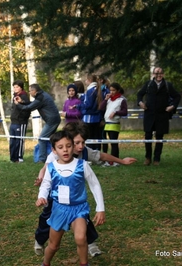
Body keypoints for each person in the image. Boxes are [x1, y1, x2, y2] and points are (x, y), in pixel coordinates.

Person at [34, 121, 137, 257]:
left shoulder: (85, 152)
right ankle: (39, 241)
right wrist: (41, 178)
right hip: (56, 195)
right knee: (47, 217)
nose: (81, 146)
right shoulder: (57, 152)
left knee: (83, 218)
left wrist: (122, 161)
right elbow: (46, 168)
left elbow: (102, 156)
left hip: (75, 198)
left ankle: (91, 244)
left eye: (83, 142)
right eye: (77, 143)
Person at [36, 130, 106, 266]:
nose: (65, 150)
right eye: (60, 147)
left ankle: (84, 264)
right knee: (53, 245)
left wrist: (100, 208)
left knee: (81, 239)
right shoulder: (51, 167)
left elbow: (95, 185)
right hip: (59, 210)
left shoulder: (82, 165)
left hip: (79, 209)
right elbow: (45, 185)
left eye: (68, 146)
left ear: (73, 147)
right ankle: (45, 263)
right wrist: (41, 197)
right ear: (54, 150)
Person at [137, 67, 181, 166]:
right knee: (148, 136)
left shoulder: (168, 85)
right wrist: (140, 103)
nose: (158, 75)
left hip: (162, 115)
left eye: (160, 73)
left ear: (163, 74)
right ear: (153, 74)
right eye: (156, 74)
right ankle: (148, 158)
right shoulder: (148, 84)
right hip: (149, 114)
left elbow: (177, 96)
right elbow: (139, 94)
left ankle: (157, 159)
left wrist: (172, 106)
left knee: (159, 137)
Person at [14, 84, 61, 163]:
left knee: (42, 138)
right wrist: (22, 101)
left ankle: (42, 159)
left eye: (30, 91)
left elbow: (29, 108)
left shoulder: (41, 97)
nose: (29, 93)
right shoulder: (42, 95)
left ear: (34, 91)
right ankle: (55, 157)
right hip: (54, 119)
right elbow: (33, 103)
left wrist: (18, 105)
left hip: (51, 121)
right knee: (51, 139)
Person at [99, 82, 128, 166]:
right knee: (104, 142)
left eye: (113, 90)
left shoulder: (122, 100)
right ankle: (106, 160)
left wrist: (116, 112)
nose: (111, 92)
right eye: (110, 90)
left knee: (113, 143)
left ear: (118, 90)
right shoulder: (109, 99)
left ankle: (115, 160)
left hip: (114, 123)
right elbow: (101, 108)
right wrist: (105, 99)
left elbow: (125, 112)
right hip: (107, 123)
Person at [76, 74, 103, 150]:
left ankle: (91, 154)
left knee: (89, 137)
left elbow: (88, 105)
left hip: (89, 118)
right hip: (97, 117)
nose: (85, 81)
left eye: (86, 80)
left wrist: (79, 106)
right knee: (96, 136)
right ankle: (97, 153)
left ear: (90, 80)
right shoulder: (98, 89)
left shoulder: (90, 90)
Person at [9, 80, 31, 163]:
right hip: (13, 122)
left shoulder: (24, 96)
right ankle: (12, 157)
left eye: (17, 87)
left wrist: (21, 102)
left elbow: (28, 104)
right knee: (12, 141)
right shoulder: (14, 96)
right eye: (14, 87)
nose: (15, 88)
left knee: (19, 141)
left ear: (21, 87)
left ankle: (19, 157)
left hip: (21, 122)